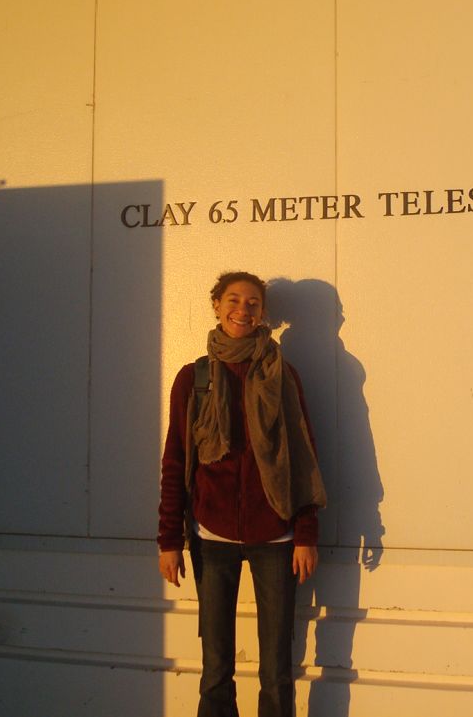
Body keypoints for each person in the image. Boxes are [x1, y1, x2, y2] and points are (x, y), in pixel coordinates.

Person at [158, 271, 328, 717]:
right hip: (210, 538)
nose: (243, 309)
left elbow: (303, 452)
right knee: (215, 669)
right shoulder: (192, 377)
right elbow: (176, 460)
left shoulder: (282, 374)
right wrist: (169, 540)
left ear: (263, 313)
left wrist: (306, 532)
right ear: (216, 304)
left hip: (276, 535)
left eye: (253, 303)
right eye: (233, 299)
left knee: (275, 668)